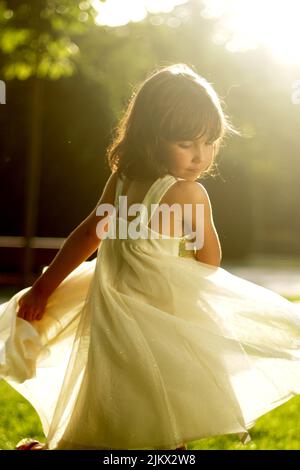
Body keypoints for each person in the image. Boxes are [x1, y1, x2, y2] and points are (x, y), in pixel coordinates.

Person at [1, 63, 300, 451]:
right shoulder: (190, 194)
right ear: (151, 137)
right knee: (159, 418)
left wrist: (44, 286)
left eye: (209, 143)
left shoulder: (123, 178)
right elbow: (209, 261)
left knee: (114, 410)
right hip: (159, 323)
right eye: (186, 144)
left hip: (111, 315)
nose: (200, 157)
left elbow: (90, 234)